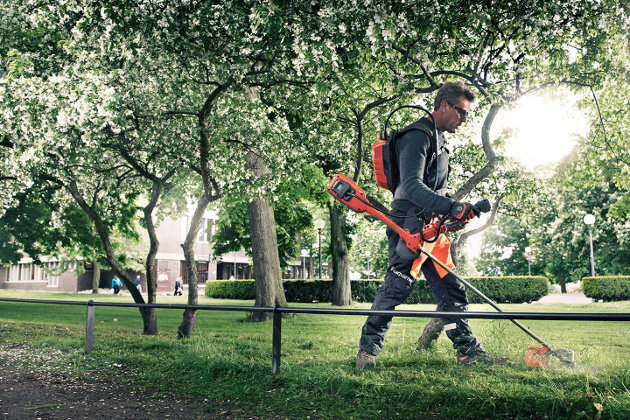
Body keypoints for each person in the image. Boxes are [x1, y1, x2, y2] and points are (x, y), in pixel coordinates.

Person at [356, 81, 510, 369]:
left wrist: (450, 215)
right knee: (396, 288)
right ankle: (367, 352)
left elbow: (434, 192)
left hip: (433, 228)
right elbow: (411, 187)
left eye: (467, 115)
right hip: (409, 226)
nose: (464, 120)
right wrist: (452, 207)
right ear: (443, 106)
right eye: (462, 113)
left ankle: (468, 352)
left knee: (453, 290)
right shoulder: (418, 136)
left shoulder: (439, 140)